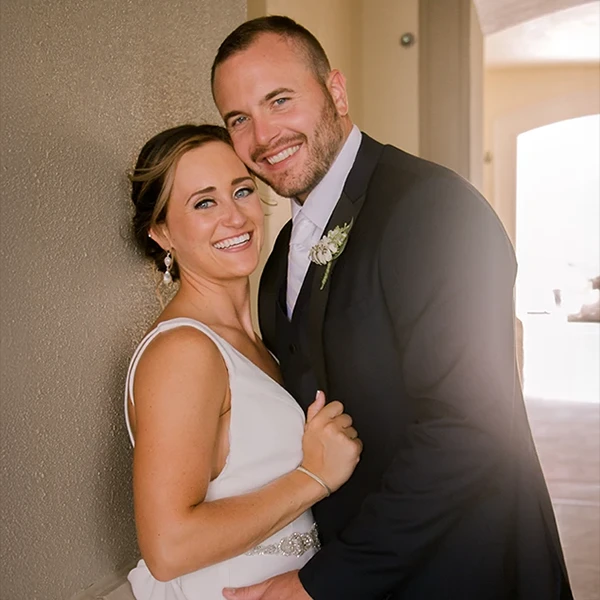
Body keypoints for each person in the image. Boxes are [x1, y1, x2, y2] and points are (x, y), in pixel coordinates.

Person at [210, 15, 574, 600]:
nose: (263, 135)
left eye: (280, 100)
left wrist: (318, 586)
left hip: (467, 571)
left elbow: (468, 431)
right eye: (239, 119)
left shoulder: (436, 208)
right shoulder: (278, 255)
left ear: (335, 92)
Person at [123, 124, 362, 600]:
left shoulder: (261, 341)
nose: (235, 216)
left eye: (243, 190)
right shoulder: (183, 352)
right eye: (204, 202)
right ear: (161, 231)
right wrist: (313, 477)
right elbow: (168, 547)